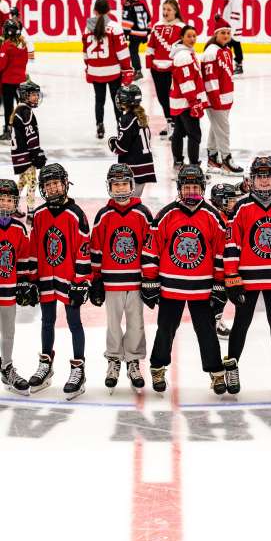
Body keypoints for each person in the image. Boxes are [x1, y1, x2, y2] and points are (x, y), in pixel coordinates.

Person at [141, 164, 227, 395]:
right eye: (186, 187)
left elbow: (221, 252)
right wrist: (150, 281)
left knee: (206, 331)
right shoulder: (167, 214)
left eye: (195, 187)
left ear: (202, 188)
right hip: (170, 287)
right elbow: (151, 250)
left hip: (202, 288)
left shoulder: (212, 216)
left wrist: (219, 283)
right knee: (165, 329)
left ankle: (216, 372)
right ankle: (158, 368)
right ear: (180, 188)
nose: (191, 192)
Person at [223, 156, 271, 397]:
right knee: (241, 323)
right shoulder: (241, 208)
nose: (264, 180)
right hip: (246, 279)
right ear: (252, 179)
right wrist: (232, 278)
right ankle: (232, 365)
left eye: (268, 176)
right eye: (260, 176)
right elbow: (231, 245)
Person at [28, 164, 92, 401]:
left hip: (69, 280)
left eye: (56, 183)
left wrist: (81, 281)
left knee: (74, 322)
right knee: (47, 322)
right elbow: (34, 247)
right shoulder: (40, 215)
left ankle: (78, 369)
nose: (53, 187)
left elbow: (83, 249)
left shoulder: (75, 214)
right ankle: (46, 364)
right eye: (48, 184)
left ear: (65, 183)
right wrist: (31, 279)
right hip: (46, 279)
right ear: (43, 189)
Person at [90, 163, 152, 393]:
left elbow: (149, 247)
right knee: (113, 325)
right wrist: (95, 278)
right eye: (115, 185)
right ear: (109, 187)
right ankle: (114, 359)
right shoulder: (104, 215)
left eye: (123, 184)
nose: (120, 189)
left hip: (135, 281)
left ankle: (133, 360)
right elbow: (95, 249)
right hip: (112, 282)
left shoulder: (142, 213)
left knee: (136, 324)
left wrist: (150, 277)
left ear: (131, 185)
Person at [0, 179, 38, 396]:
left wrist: (25, 282)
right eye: (1, 200)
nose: (5, 204)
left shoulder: (19, 229)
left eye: (9, 200)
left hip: (8, 289)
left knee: (8, 332)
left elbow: (23, 259)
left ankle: (6, 367)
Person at [82, 0, 133, 140]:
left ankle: (99, 126)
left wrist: (88, 67)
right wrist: (127, 69)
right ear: (109, 11)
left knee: (99, 100)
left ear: (95, 11)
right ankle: (120, 126)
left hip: (95, 70)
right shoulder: (115, 27)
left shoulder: (87, 28)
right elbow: (122, 52)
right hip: (112, 71)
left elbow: (85, 52)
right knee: (117, 99)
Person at [202, 16, 243, 176]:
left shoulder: (226, 50)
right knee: (223, 129)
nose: (226, 35)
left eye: (228, 32)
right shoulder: (211, 52)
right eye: (222, 33)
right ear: (216, 34)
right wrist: (215, 99)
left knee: (216, 127)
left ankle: (213, 158)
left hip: (225, 99)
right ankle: (226, 160)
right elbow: (210, 79)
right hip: (216, 100)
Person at [108, 83, 156, 197]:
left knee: (128, 203)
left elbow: (121, 148)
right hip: (146, 165)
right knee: (135, 201)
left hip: (133, 167)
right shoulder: (141, 117)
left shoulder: (126, 119)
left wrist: (112, 142)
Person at [170, 25, 207, 173]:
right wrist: (194, 102)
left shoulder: (186, 53)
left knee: (178, 132)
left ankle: (178, 162)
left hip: (179, 100)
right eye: (189, 36)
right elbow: (186, 82)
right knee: (194, 133)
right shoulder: (183, 56)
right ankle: (193, 166)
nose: (192, 39)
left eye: (194, 36)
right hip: (185, 102)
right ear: (182, 37)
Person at [146, 0, 184, 139]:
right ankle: (170, 122)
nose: (165, 12)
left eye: (169, 9)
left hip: (173, 69)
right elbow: (151, 46)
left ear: (175, 11)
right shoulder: (157, 26)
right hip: (157, 69)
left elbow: (184, 49)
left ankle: (176, 125)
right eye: (164, 9)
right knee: (162, 98)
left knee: (173, 98)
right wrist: (149, 64)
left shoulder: (182, 27)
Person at [9, 81, 46, 224]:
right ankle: (31, 213)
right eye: (33, 95)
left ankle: (13, 207)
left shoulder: (17, 109)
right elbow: (30, 135)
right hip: (25, 155)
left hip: (17, 155)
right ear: (24, 96)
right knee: (32, 183)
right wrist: (36, 152)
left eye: (37, 94)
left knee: (22, 182)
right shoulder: (26, 112)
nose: (36, 97)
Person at [210, 182, 240, 340]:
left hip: (226, 264)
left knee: (223, 295)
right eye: (230, 201)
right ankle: (213, 323)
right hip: (216, 266)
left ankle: (215, 320)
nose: (234, 204)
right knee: (218, 296)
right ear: (220, 201)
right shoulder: (216, 219)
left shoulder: (228, 216)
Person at [0, 19, 28, 140]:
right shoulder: (24, 46)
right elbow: (26, 61)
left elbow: (1, 65)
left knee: (8, 107)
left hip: (8, 81)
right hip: (20, 80)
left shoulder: (6, 46)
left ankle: (8, 129)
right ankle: (24, 128)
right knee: (21, 106)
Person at [121, 0, 150, 81]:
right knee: (134, 51)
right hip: (143, 33)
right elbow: (149, 19)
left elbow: (127, 23)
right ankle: (136, 70)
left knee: (133, 51)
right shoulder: (141, 4)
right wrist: (147, 32)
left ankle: (138, 71)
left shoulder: (128, 6)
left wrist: (125, 35)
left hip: (134, 33)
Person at [222, 0, 243, 75]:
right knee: (234, 45)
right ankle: (237, 65)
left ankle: (233, 65)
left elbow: (235, 12)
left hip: (232, 26)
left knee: (229, 45)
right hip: (230, 25)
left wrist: (231, 29)